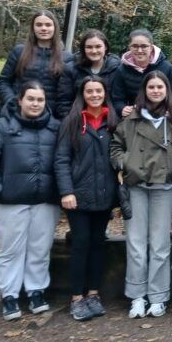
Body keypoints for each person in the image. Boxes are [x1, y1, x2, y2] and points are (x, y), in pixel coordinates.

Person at [110, 71, 172, 319]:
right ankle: (137, 296)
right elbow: (115, 146)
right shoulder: (131, 119)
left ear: (167, 90)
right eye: (151, 87)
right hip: (135, 185)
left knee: (160, 244)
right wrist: (126, 163)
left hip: (163, 187)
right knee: (136, 243)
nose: (156, 91)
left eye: (160, 87)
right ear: (144, 90)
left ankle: (158, 296)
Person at [0, 82, 60, 320]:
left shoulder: (55, 128)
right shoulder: (2, 126)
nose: (35, 104)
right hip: (10, 202)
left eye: (40, 100)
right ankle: (10, 294)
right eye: (30, 99)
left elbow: (64, 160)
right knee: (11, 250)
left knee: (40, 249)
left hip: (45, 201)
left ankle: (36, 291)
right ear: (20, 100)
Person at [54, 76, 118, 322]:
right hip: (78, 196)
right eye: (89, 91)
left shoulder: (113, 122)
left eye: (98, 91)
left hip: (104, 195)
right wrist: (66, 191)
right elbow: (61, 160)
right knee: (80, 244)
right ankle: (77, 298)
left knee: (98, 244)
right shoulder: (72, 121)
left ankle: (93, 293)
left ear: (105, 93)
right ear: (82, 94)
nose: (94, 95)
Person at [0, 10, 73, 118]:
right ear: (33, 28)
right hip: (17, 113)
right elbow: (4, 81)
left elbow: (66, 93)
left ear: (55, 28)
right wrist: (12, 101)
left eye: (48, 25)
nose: (43, 28)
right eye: (39, 25)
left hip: (50, 117)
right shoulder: (19, 51)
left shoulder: (66, 57)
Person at [111, 29, 172, 124]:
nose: (139, 50)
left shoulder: (166, 67)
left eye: (144, 46)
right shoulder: (122, 70)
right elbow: (117, 98)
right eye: (135, 46)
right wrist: (121, 108)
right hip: (136, 118)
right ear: (129, 47)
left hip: (164, 117)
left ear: (151, 47)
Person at [57, 29, 121, 119]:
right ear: (83, 49)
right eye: (89, 47)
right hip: (78, 120)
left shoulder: (116, 68)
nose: (94, 51)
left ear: (105, 47)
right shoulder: (71, 69)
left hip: (109, 121)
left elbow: (119, 100)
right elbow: (64, 101)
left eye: (98, 46)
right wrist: (70, 122)